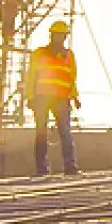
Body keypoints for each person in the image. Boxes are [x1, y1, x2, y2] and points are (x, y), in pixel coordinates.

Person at [22, 20, 80, 176]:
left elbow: (71, 78)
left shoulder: (69, 56)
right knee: (41, 132)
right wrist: (30, 96)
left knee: (65, 132)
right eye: (57, 35)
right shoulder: (39, 54)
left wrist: (75, 96)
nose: (59, 38)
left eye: (62, 35)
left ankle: (70, 165)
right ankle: (42, 168)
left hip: (61, 99)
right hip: (42, 98)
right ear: (52, 35)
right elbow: (31, 76)